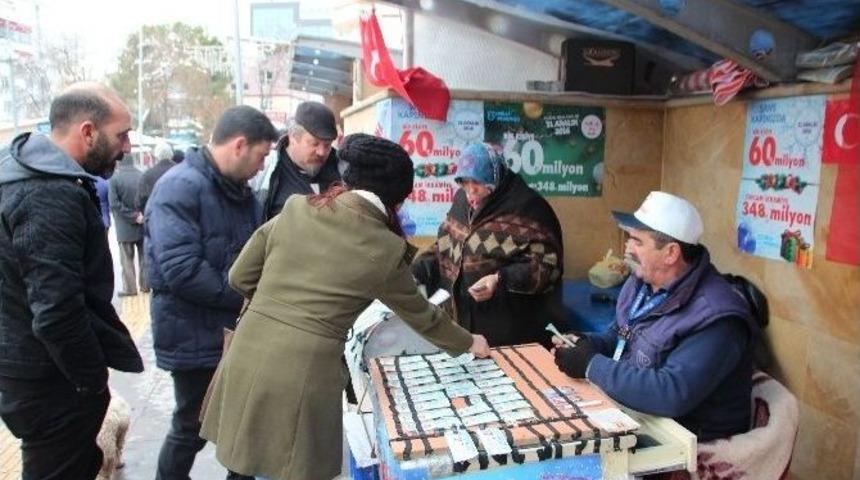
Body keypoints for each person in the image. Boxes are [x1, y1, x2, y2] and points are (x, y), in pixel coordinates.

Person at [200, 134, 491, 480]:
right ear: (397, 200)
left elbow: (239, 276)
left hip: (247, 353)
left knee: (242, 464)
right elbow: (423, 317)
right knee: (291, 468)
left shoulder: (297, 208)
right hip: (303, 373)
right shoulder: (385, 248)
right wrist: (469, 342)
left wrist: (275, 304)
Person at [0, 82, 144, 480]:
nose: (128, 146)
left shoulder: (20, 172)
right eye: (122, 135)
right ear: (87, 132)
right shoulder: (47, 191)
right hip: (49, 382)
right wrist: (91, 381)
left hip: (28, 370)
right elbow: (57, 310)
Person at [553, 191, 758, 441]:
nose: (627, 249)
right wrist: (586, 343)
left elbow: (671, 393)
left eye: (637, 242)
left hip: (689, 441)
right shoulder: (643, 282)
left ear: (671, 253)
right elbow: (621, 335)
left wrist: (591, 365)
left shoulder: (718, 319)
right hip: (639, 416)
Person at [145, 105, 277, 480]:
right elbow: (181, 270)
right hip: (194, 335)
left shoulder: (241, 192)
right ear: (239, 145)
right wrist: (248, 298)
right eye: (262, 155)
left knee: (247, 425)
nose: (261, 165)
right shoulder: (179, 187)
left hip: (238, 331)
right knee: (192, 426)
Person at [411, 143, 565, 347]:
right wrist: (419, 269)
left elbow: (548, 267)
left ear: (496, 177)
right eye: (464, 181)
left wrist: (500, 279)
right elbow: (448, 244)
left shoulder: (528, 208)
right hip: (461, 323)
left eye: (477, 182)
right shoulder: (462, 201)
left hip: (510, 329)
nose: (470, 189)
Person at [261, 101, 341, 220]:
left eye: (327, 145)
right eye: (315, 143)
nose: (322, 152)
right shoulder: (266, 170)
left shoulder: (342, 166)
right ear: (293, 136)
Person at [109, 153, 147, 296]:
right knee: (144, 259)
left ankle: (130, 289)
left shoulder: (115, 179)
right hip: (142, 224)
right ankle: (145, 285)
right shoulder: (142, 176)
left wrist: (132, 216)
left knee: (127, 260)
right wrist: (139, 215)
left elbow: (114, 204)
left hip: (124, 228)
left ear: (119, 163)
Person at [137, 142, 176, 212]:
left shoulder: (148, 175)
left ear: (156, 156)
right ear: (171, 155)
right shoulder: (180, 171)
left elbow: (141, 200)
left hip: (156, 216)